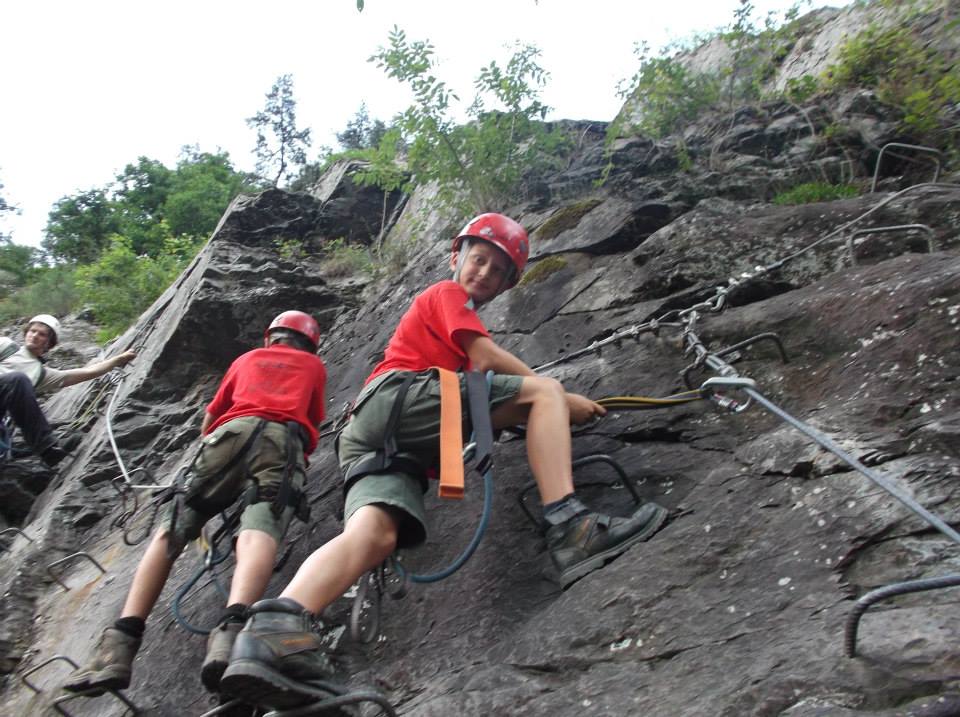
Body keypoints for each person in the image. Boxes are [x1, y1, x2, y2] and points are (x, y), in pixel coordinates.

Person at [219, 214, 668, 710]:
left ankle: (275, 632)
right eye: (479, 260)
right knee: (547, 392)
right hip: (399, 401)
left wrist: (529, 412)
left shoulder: (451, 329)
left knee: (374, 536)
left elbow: (477, 383)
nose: (484, 274)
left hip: (377, 435)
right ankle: (572, 526)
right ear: (457, 257)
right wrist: (561, 398)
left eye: (498, 271)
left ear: (505, 285)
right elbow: (488, 357)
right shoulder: (445, 295)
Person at [63, 310, 328, 695]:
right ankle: (230, 638)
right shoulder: (313, 367)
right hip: (280, 441)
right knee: (258, 532)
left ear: (271, 337)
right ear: (310, 343)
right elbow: (313, 424)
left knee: (170, 533)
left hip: (227, 436)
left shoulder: (245, 360)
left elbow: (210, 420)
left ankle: (118, 646)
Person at [0, 314, 137, 466]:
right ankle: (46, 448)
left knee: (18, 384)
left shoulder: (41, 374)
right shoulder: (6, 346)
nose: (35, 335)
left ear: (49, 343)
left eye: (42, 334)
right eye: (32, 331)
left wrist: (118, 360)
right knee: (18, 379)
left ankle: (42, 450)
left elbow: (87, 372)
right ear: (26, 333)